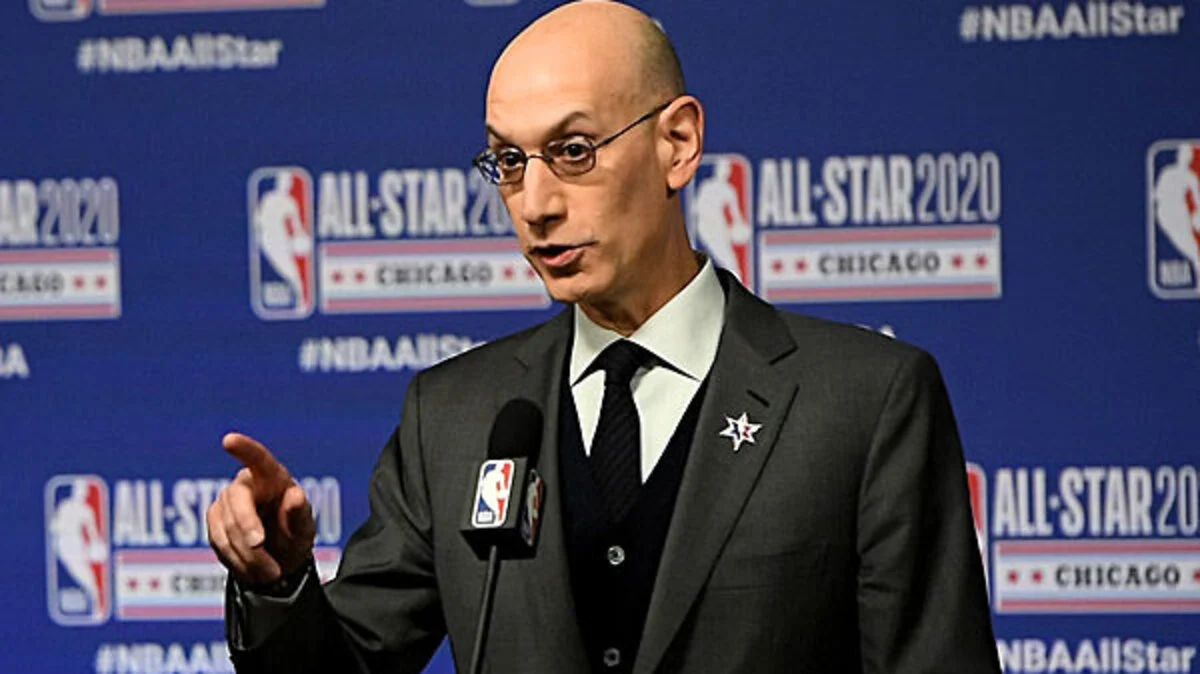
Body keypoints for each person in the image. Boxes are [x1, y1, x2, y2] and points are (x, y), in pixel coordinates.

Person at [207, 3, 1001, 672]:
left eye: (573, 151)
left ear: (677, 143)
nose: (535, 203)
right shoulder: (453, 417)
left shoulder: (864, 402)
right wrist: (279, 581)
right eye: (508, 160)